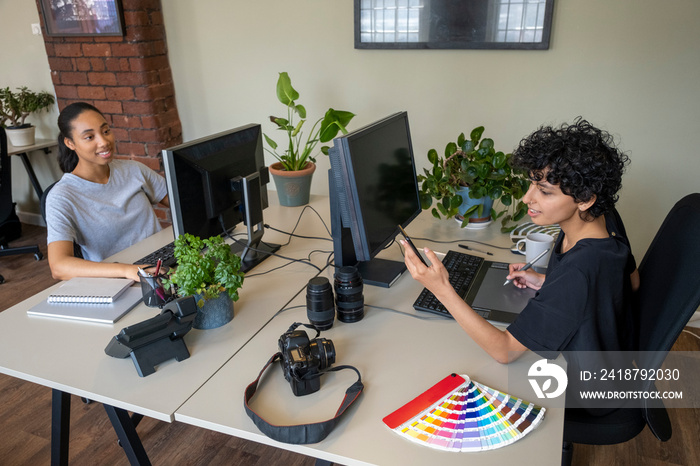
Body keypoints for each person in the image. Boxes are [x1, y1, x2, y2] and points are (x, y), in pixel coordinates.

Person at [402, 118, 637, 365]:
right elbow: (631, 282)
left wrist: (440, 288)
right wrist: (551, 284)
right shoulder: (604, 218)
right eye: (532, 184)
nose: (527, 198)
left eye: (544, 192)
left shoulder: (579, 269)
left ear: (585, 199)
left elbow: (506, 351)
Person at [45, 102, 169, 282]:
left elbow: (181, 201)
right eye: (89, 137)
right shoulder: (61, 197)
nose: (103, 142)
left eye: (105, 131)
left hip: (161, 263)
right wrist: (127, 270)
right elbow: (59, 267)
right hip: (116, 280)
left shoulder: (134, 170)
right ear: (70, 143)